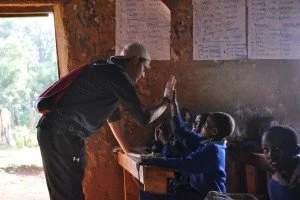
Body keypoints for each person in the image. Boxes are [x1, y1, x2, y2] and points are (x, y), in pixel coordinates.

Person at [36, 42, 176, 200]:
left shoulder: (107, 70)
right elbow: (143, 117)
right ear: (136, 60)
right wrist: (166, 102)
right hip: (61, 136)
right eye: (144, 68)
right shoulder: (118, 75)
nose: (143, 75)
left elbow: (113, 118)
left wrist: (127, 150)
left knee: (67, 192)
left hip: (57, 134)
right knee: (69, 194)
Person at [139, 90, 235, 200]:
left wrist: (155, 161)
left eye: (206, 124)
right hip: (193, 192)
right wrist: (173, 103)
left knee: (149, 196)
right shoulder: (206, 142)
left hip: (207, 197)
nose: (203, 126)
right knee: (148, 193)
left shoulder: (214, 150)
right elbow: (180, 131)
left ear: (214, 131)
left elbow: (185, 164)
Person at [262, 125, 300, 200]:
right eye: (266, 150)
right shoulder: (274, 184)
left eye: (277, 149)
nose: (271, 155)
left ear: (295, 150)